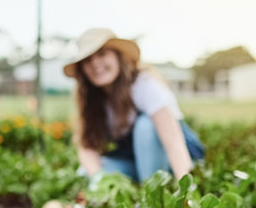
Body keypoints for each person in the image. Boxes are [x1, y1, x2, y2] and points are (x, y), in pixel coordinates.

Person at [63, 28, 205, 184]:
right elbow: (87, 146)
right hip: (138, 162)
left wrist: (186, 186)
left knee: (145, 125)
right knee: (86, 171)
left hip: (177, 160)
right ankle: (140, 186)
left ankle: (151, 192)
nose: (95, 63)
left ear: (118, 56)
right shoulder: (93, 99)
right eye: (88, 59)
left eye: (102, 54)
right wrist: (98, 180)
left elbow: (174, 143)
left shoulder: (143, 84)